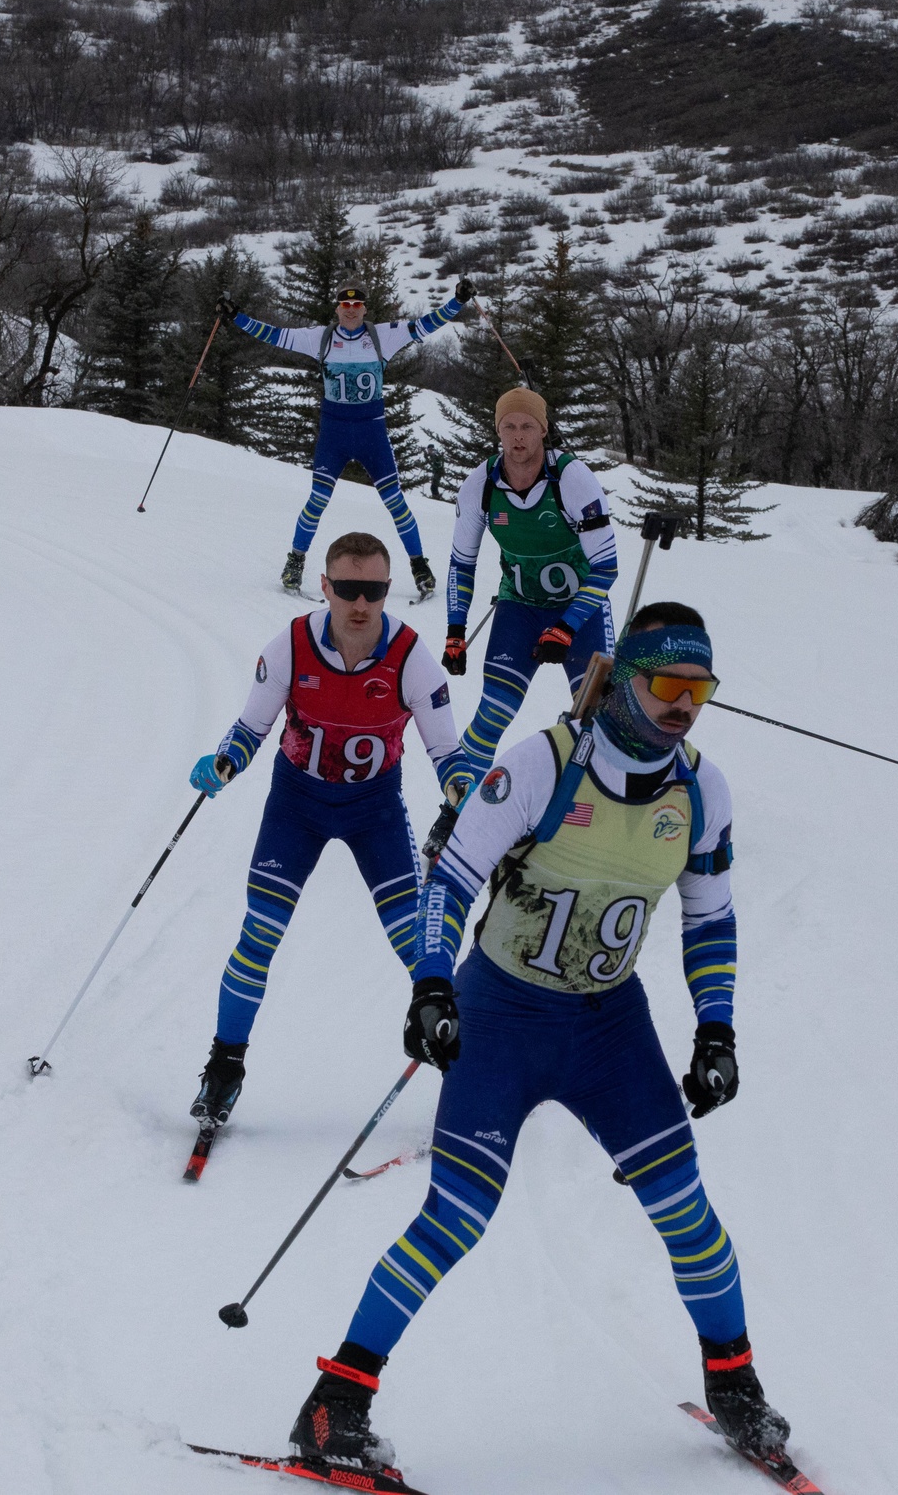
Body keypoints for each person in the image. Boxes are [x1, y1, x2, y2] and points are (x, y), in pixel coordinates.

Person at [287, 603, 791, 1478]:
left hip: (608, 1026)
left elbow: (709, 918)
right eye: (669, 685)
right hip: (506, 1017)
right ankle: (336, 1405)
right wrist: (433, 984)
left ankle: (735, 1386)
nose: (685, 706)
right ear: (627, 680)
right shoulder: (544, 766)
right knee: (456, 1218)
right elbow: (448, 877)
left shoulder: (702, 791)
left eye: (699, 690)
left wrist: (717, 1030)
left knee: (688, 1214)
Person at [187, 531, 473, 1129]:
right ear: (325, 587)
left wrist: (461, 790)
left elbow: (448, 752)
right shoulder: (291, 646)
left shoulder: (411, 657)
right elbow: (250, 727)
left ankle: (475, 1067)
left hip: (374, 810)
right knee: (260, 933)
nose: (360, 603)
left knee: (413, 940)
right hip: (298, 806)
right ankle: (224, 1068)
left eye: (372, 589)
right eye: (347, 588)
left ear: (387, 589)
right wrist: (224, 763)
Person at [424, 385, 617, 856]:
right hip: (520, 607)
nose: (517, 436)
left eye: (527, 426)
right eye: (508, 426)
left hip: (581, 608)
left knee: (596, 718)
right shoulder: (481, 484)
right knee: (492, 712)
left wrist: (567, 625)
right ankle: (456, 810)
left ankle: (606, 811)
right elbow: (461, 563)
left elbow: (607, 566)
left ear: (544, 430)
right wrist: (454, 631)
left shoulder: (572, 479)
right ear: (497, 431)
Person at [216, 279, 475, 600]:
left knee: (396, 502)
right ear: (338, 308)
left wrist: (457, 302)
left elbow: (426, 325)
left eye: (357, 305)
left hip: (372, 434)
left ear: (364, 309)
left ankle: (419, 565)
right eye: (345, 305)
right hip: (335, 435)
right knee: (317, 502)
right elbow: (274, 334)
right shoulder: (319, 339)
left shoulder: (382, 336)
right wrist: (237, 316)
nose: (351, 310)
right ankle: (295, 560)